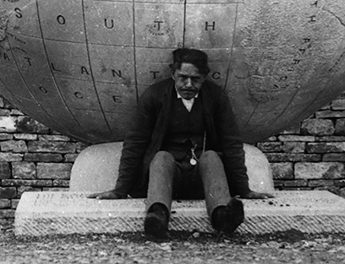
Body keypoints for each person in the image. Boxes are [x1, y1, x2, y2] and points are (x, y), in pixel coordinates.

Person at [89, 48, 273, 237]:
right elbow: (135, 143)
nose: (188, 85)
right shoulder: (154, 96)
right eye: (182, 78)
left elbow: (231, 142)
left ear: (204, 77)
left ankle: (222, 217)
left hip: (202, 179)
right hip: (168, 178)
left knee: (211, 157)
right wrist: (120, 190)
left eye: (195, 79)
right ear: (172, 74)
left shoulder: (215, 97)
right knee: (161, 157)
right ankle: (157, 217)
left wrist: (244, 189)